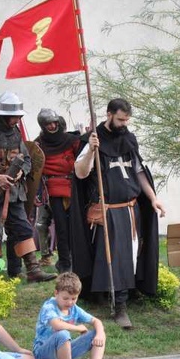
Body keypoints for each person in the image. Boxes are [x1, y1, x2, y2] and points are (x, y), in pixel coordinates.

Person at [71, 98, 165, 329]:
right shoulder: (91, 140)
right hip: (107, 211)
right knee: (114, 258)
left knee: (129, 257)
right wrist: (92, 151)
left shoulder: (129, 139)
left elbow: (139, 171)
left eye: (127, 120)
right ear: (109, 114)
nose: (124, 124)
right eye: (121, 119)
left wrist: (153, 199)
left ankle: (124, 296)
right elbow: (81, 173)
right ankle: (118, 306)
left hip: (130, 209)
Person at [0, 91, 56, 282]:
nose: (17, 119)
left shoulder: (16, 132)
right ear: (3, 115)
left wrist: (21, 172)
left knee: (23, 228)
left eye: (19, 116)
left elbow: (27, 158)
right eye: (14, 116)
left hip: (16, 192)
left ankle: (32, 270)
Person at [32, 272, 117, 359]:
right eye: (65, 298)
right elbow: (57, 325)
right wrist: (78, 328)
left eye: (74, 298)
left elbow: (96, 321)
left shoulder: (74, 308)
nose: (70, 302)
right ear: (56, 293)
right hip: (44, 355)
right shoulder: (49, 306)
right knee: (62, 334)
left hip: (63, 353)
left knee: (97, 332)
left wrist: (100, 334)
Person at [34, 109, 82, 273]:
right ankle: (64, 263)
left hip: (74, 189)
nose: (53, 126)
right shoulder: (38, 145)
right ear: (43, 125)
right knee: (61, 228)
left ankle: (77, 261)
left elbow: (83, 160)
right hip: (53, 190)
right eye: (49, 124)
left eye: (54, 122)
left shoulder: (72, 141)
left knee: (76, 227)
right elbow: (33, 165)